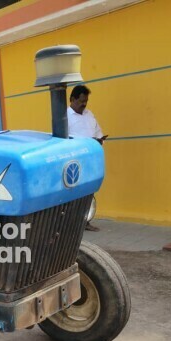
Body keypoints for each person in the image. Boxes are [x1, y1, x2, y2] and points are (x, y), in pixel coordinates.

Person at [68, 85, 104, 231]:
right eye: (81, 101)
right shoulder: (64, 117)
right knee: (75, 192)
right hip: (74, 162)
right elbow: (62, 140)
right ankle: (72, 223)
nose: (84, 104)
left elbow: (98, 132)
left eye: (86, 101)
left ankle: (86, 220)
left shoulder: (89, 114)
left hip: (91, 159)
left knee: (89, 190)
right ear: (72, 99)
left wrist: (100, 140)